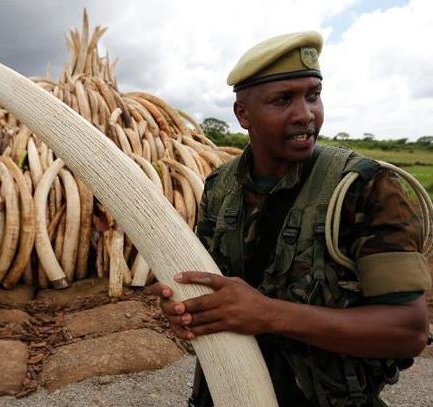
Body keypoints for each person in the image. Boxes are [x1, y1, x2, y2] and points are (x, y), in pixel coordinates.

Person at [153, 31, 431, 406]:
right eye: (282, 100)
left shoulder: (365, 187)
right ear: (242, 114)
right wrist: (186, 309)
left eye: (312, 95)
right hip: (225, 394)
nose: (305, 114)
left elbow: (407, 330)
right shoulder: (220, 187)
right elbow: (211, 291)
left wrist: (267, 314)